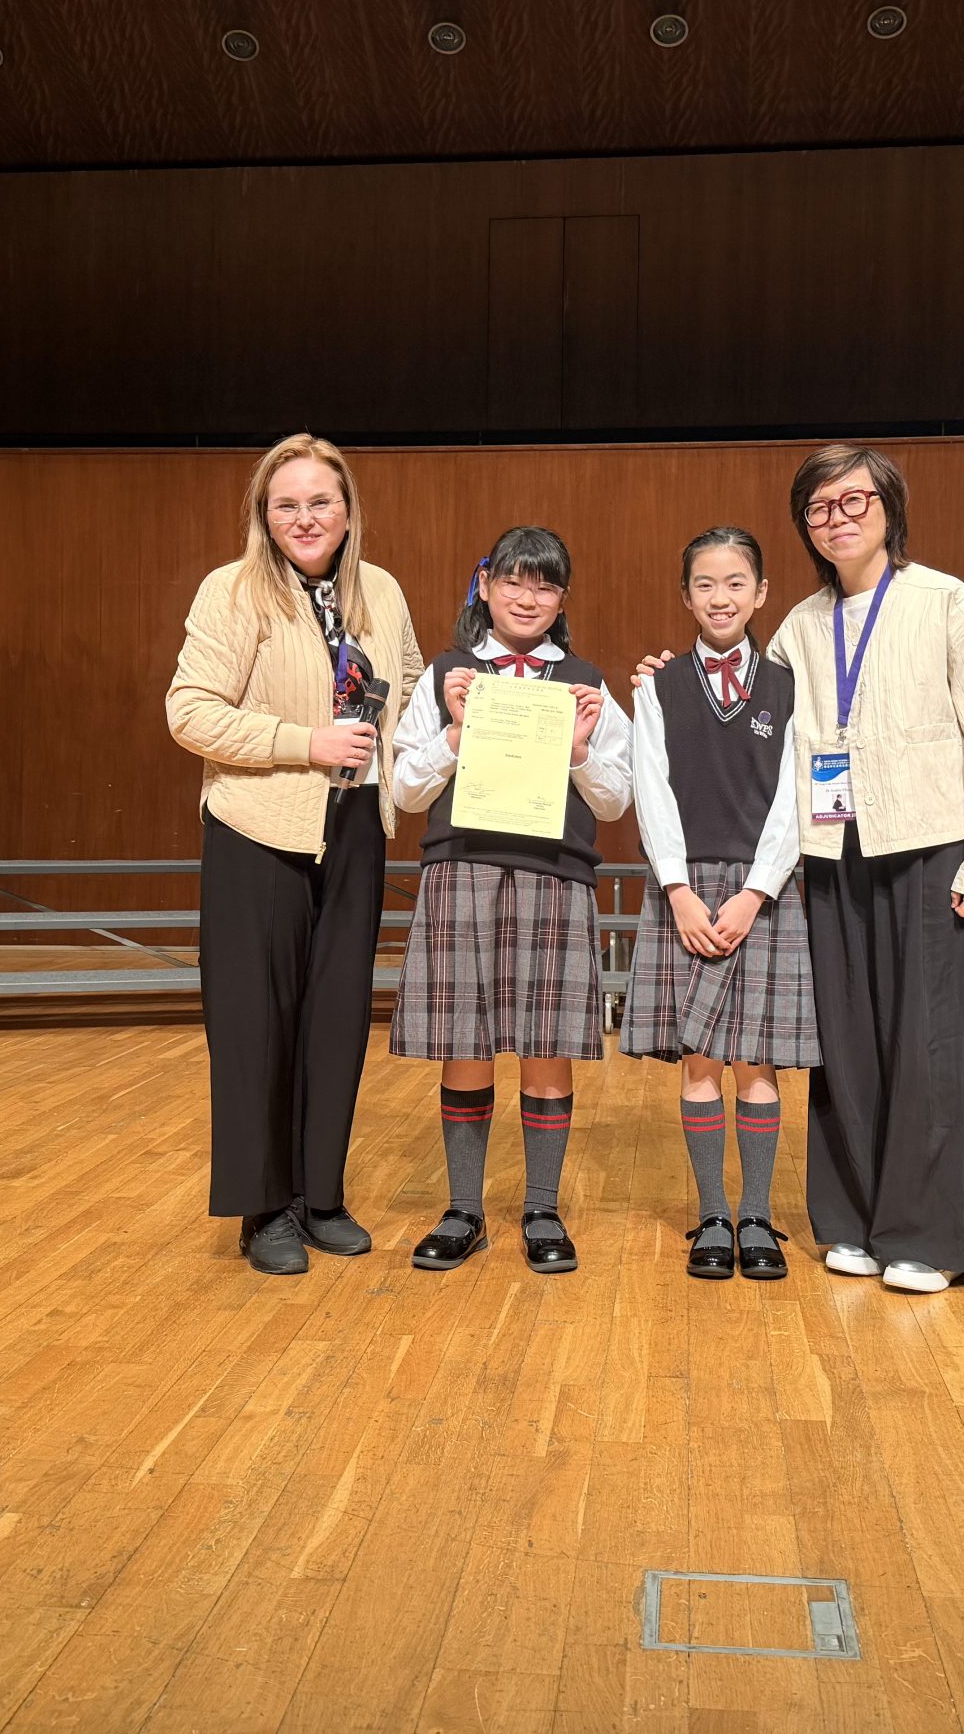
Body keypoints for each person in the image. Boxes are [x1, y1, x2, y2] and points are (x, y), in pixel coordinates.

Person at [770, 444, 964, 1294]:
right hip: (833, 852)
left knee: (932, 1046)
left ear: (889, 509)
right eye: (820, 507)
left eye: (855, 501)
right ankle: (852, 1221)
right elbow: (757, 727)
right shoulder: (799, 627)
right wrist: (674, 685)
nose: (837, 518)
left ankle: (930, 1237)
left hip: (933, 849)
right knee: (844, 1044)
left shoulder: (945, 602)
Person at [166, 433, 425, 1276]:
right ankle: (264, 1209)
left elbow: (410, 690)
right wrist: (303, 742)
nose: (305, 518)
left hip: (355, 828)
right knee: (255, 1025)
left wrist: (454, 704)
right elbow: (189, 711)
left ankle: (320, 1196)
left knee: (337, 1020)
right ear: (264, 515)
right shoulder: (233, 590)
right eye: (287, 504)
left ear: (348, 511)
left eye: (320, 502)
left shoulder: (382, 591)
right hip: (258, 830)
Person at [388, 526, 634, 1274]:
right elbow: (404, 791)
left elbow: (616, 801)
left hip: (554, 875)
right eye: (514, 582)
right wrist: (455, 734)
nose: (528, 598)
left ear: (562, 598)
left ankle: (542, 1208)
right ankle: (463, 1209)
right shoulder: (446, 675)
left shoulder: (587, 685)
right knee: (464, 1046)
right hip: (460, 871)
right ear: (486, 586)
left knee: (546, 1049)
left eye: (545, 585)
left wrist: (580, 752)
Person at [621, 527, 817, 1281]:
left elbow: (795, 799)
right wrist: (676, 889)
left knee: (757, 1064)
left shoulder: (790, 688)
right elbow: (651, 790)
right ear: (685, 596)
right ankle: (711, 1213)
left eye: (736, 583)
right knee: (699, 1061)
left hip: (765, 891)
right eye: (705, 584)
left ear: (761, 593)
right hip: (686, 890)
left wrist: (757, 891)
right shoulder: (656, 686)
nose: (720, 597)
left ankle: (757, 1215)